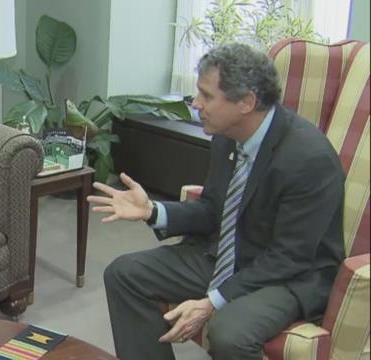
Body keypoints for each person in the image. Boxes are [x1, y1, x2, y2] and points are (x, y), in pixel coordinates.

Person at [87, 42, 344, 359]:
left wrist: (212, 302)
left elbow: (289, 258)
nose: (196, 103)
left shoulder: (309, 158)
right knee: (124, 274)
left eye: (206, 95)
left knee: (230, 333)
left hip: (289, 277)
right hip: (230, 253)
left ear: (246, 102)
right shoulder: (227, 136)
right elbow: (212, 210)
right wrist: (153, 211)